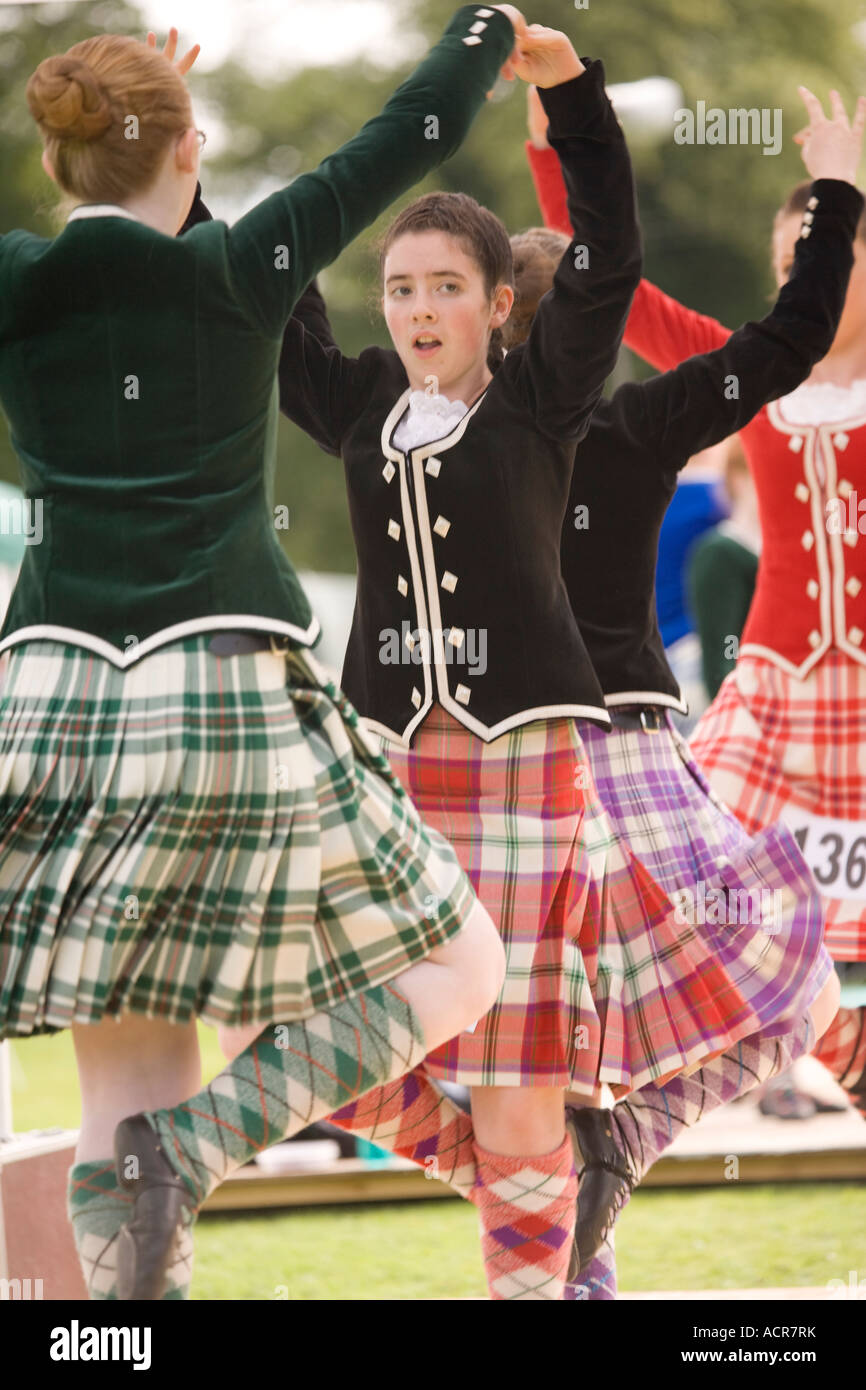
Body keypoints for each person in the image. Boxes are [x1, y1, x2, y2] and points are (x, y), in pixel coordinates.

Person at [224, 25, 848, 1301]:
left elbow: (706, 308)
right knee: (599, 1039)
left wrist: (562, 113)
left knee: (578, 1048)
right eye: (406, 295)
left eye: (443, 292)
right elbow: (737, 323)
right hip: (544, 762)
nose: (421, 316)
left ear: (509, 319)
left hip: (595, 759)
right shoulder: (530, 420)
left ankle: (578, 1195)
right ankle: (572, 1213)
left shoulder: (618, 418)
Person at [0, 8, 526, 1301]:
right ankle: (200, 1144)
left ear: (60, 162)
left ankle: (129, 1316)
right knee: (461, 962)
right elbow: (413, 128)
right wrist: (486, 27)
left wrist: (140, 127)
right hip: (223, 677)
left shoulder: (19, 280)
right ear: (188, 146)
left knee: (120, 1070)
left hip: (53, 689)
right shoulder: (239, 264)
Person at [590, 88, 866, 1136]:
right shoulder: (748, 375)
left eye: (827, 247)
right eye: (790, 255)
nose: (808, 270)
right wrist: (557, 137)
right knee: (692, 888)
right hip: (779, 690)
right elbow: (616, 290)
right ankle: (835, 1043)